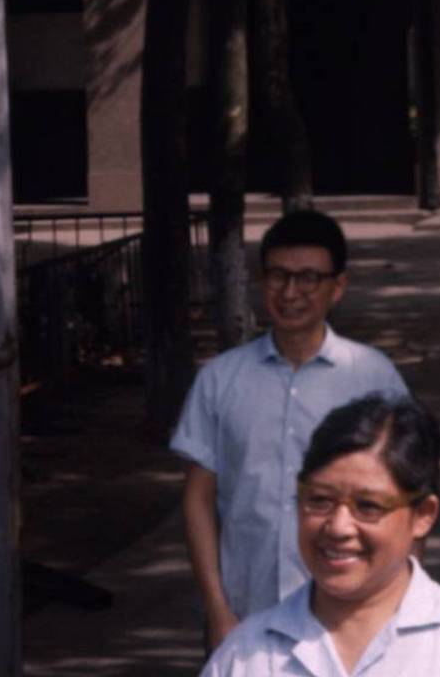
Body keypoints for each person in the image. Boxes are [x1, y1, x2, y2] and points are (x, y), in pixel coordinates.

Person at [171, 209, 410, 651]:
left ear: (337, 287)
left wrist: (398, 611)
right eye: (278, 276)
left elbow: (407, 500)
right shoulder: (221, 380)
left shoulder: (374, 378)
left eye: (308, 278)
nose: (290, 292)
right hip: (246, 611)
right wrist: (218, 609)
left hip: (349, 612)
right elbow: (198, 499)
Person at [202, 393, 440, 675]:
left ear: (423, 516)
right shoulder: (247, 657)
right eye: (319, 501)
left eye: (368, 506)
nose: (338, 527)